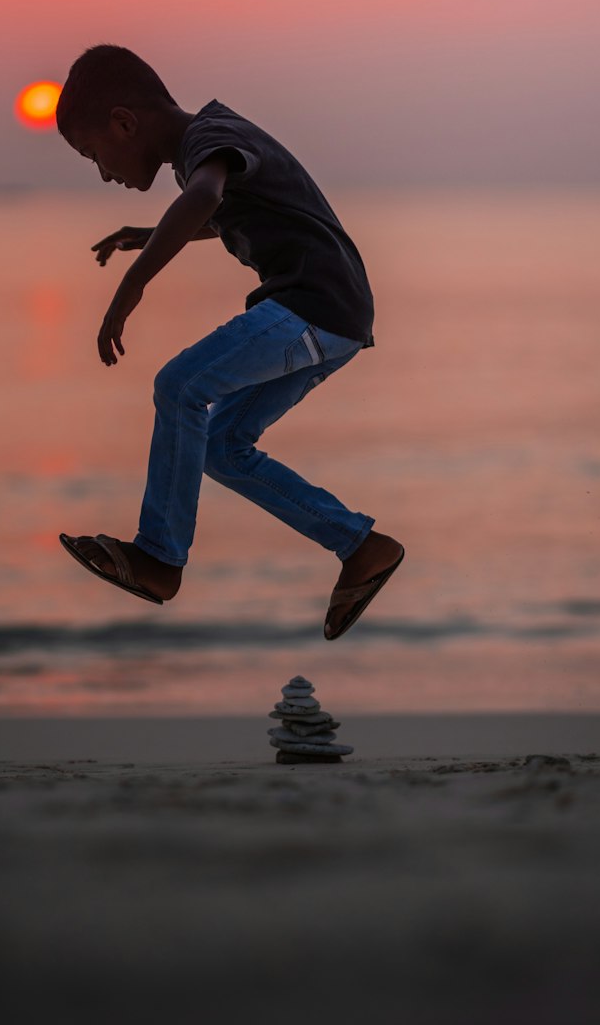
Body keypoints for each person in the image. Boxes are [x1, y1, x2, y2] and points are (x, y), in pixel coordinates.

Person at [55, 44, 403, 640]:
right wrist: (148, 235)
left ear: (124, 122)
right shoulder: (206, 151)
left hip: (312, 305)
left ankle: (159, 560)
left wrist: (130, 289)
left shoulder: (206, 138)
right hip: (337, 318)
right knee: (221, 449)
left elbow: (204, 198)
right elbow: (222, 211)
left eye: (95, 155)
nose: (105, 173)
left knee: (181, 385)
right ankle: (361, 547)